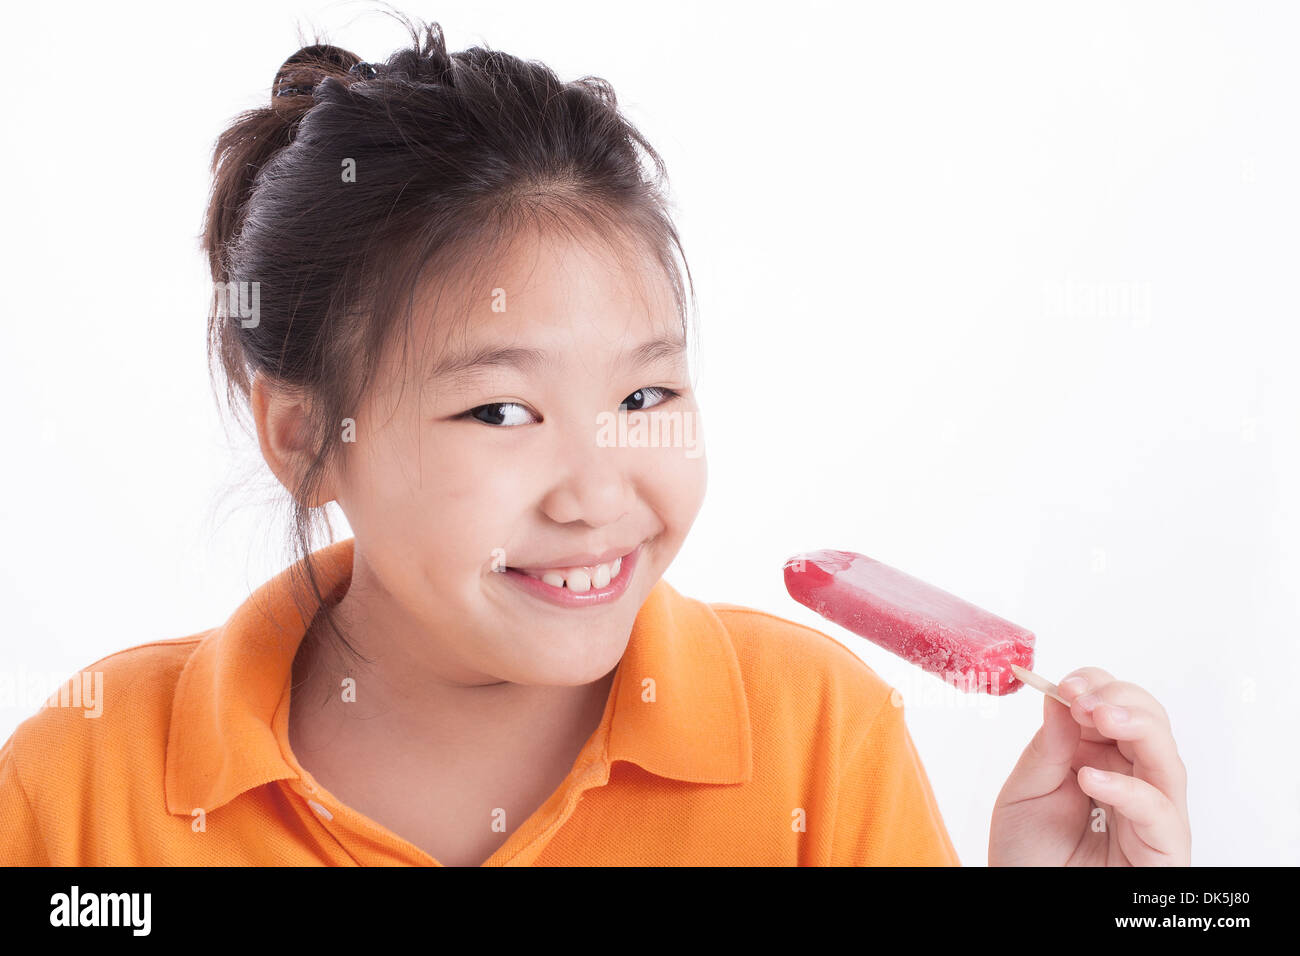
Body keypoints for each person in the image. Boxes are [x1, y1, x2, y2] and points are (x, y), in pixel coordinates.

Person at [0, 15, 1189, 867]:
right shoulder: (82, 786)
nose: (596, 494)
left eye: (644, 394)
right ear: (306, 435)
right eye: (501, 411)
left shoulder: (813, 731)